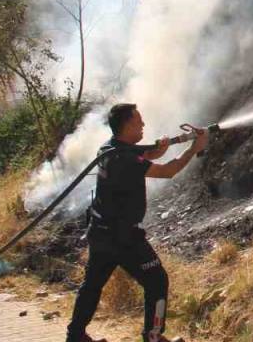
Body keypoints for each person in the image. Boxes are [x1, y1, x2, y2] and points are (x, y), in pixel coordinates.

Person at [66, 103, 209, 342]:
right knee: (157, 280)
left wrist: (161, 148)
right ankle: (153, 336)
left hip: (100, 232)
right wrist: (195, 147)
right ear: (126, 126)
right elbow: (168, 171)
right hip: (123, 238)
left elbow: (142, 155)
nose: (143, 124)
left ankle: (75, 336)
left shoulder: (109, 149)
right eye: (138, 121)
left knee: (92, 285)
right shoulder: (126, 160)